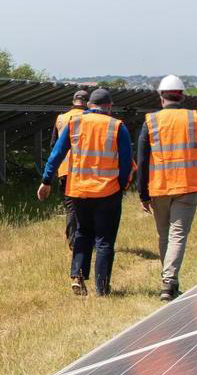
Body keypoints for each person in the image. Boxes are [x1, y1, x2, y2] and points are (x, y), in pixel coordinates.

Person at [36, 89, 134, 295]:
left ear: (89, 105)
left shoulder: (74, 123)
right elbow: (126, 162)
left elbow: (56, 154)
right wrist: (123, 184)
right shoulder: (117, 127)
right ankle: (102, 287)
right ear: (109, 106)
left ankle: (77, 275)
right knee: (105, 240)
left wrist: (46, 180)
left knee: (83, 233)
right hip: (108, 191)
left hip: (79, 190)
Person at [136, 75, 197, 302]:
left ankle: (169, 280)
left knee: (164, 235)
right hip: (188, 185)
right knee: (178, 234)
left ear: (161, 97)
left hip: (159, 187)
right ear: (182, 96)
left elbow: (142, 160)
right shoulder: (194, 118)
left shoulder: (150, 121)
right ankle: (170, 280)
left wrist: (142, 192)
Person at [52, 89, 89, 247]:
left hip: (65, 169)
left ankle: (72, 240)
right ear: (87, 102)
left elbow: (54, 145)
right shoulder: (90, 118)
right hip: (85, 169)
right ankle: (85, 238)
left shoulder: (61, 118)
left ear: (74, 101)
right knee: (87, 206)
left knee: (71, 206)